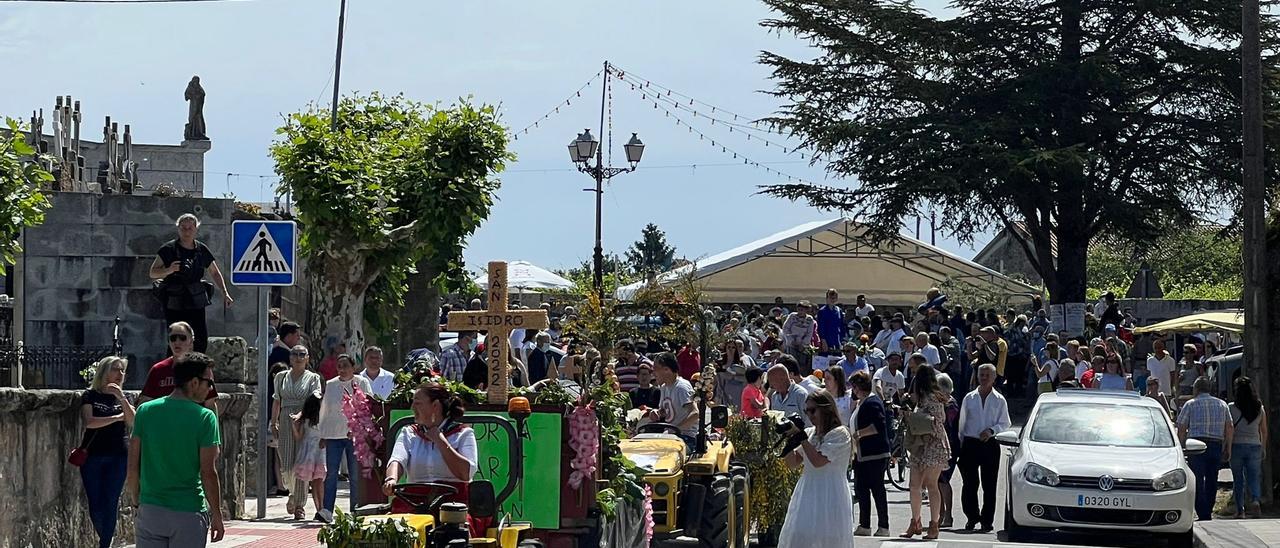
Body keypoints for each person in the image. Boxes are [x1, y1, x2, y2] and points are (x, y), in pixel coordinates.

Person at [127, 352, 224, 547]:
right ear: (194, 383)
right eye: (209, 383)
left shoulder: (145, 411)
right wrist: (217, 513)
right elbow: (208, 472)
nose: (211, 389)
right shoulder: (205, 418)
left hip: (150, 508)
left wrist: (137, 501)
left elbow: (133, 465)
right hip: (188, 510)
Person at [383, 383, 481, 535]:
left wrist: (440, 441)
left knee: (456, 531)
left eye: (418, 403)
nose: (413, 408)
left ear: (435, 405)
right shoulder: (409, 433)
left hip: (453, 505)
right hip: (415, 502)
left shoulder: (463, 434)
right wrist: (391, 479)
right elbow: (397, 459)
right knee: (393, 530)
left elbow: (465, 473)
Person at [776, 389, 855, 547]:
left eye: (813, 410)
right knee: (799, 537)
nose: (810, 416)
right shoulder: (810, 433)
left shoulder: (840, 434)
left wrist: (802, 439)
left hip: (831, 493)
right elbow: (793, 463)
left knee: (827, 539)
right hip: (808, 491)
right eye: (806, 411)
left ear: (826, 409)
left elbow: (818, 461)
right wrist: (788, 440)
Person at [148, 213, 232, 353]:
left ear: (196, 229)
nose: (187, 231)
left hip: (196, 298)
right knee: (176, 336)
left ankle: (197, 368)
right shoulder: (168, 249)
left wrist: (225, 293)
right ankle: (174, 367)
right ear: (178, 229)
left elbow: (215, 272)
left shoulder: (201, 249)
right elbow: (153, 273)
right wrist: (169, 270)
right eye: (183, 228)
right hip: (175, 300)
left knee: (200, 337)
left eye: (190, 228)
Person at [79, 356, 136, 548]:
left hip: (118, 455)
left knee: (111, 500)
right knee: (95, 503)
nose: (120, 374)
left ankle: (105, 544)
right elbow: (90, 422)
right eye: (115, 369)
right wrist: (116, 417)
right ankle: (107, 538)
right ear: (104, 372)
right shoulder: (90, 396)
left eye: (122, 370)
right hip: (92, 455)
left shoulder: (124, 397)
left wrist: (121, 398)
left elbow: (132, 422)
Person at [318, 354, 373, 521]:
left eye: (345, 366)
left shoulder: (362, 383)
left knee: (354, 475)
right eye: (339, 366)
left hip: (355, 435)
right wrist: (322, 434)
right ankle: (327, 510)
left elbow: (369, 406)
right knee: (331, 473)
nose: (342, 370)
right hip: (333, 435)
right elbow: (324, 410)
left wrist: (366, 431)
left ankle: (355, 510)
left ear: (353, 367)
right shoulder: (331, 384)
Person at [956, 364, 1011, 533]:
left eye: (987, 375)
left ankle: (987, 521)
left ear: (994, 378)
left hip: (990, 445)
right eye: (981, 374)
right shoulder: (969, 398)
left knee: (989, 485)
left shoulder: (999, 399)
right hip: (970, 443)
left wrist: (991, 431)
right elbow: (962, 423)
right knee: (970, 484)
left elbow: (1005, 423)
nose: (984, 377)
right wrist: (960, 444)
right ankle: (972, 517)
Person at [271, 344, 323, 519]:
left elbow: (315, 397)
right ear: (290, 357)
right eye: (295, 354)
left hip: (304, 420)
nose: (298, 357)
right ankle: (292, 493)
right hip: (285, 419)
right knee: (286, 463)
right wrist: (273, 422)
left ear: (307, 358)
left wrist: (302, 415)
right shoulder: (280, 377)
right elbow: (277, 400)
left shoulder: (313, 378)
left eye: (302, 354)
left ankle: (300, 505)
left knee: (301, 462)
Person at [900, 364, 950, 539]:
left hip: (933, 444)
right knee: (914, 485)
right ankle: (915, 522)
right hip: (920, 445)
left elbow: (937, 423)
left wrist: (914, 418)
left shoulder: (933, 399)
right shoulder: (921, 399)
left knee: (931, 484)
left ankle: (934, 525)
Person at [1177, 376, 1233, 521]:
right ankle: (1209, 507)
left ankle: (1202, 512)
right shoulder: (1222, 404)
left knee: (1197, 479)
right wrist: (1228, 446)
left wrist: (1182, 447)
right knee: (1212, 479)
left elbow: (1182, 428)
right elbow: (1229, 427)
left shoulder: (1190, 404)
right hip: (1216, 444)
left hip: (1196, 446)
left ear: (1196, 389)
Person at [139, 322, 218, 411]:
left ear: (191, 341)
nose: (177, 342)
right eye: (173, 338)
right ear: (168, 342)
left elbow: (210, 403)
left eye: (182, 338)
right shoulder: (158, 369)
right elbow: (146, 401)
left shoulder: (202, 367)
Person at [849, 371, 891, 536]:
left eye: (854, 387)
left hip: (874, 454)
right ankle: (864, 525)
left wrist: (858, 434)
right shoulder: (862, 402)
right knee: (862, 489)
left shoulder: (872, 402)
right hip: (862, 454)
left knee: (877, 490)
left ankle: (884, 526)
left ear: (858, 387)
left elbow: (878, 426)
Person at [1228, 377, 1268, 519]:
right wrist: (1263, 447)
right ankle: (1256, 500)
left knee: (1238, 479)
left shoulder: (1231, 407)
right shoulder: (1259, 407)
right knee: (1254, 477)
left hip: (1236, 445)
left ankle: (1240, 510)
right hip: (1254, 445)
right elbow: (1263, 430)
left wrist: (1227, 447)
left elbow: (1229, 429)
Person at [647, 353, 699, 450]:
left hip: (686, 437)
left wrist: (677, 429)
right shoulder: (663, 387)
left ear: (667, 370)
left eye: (656, 369)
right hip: (669, 437)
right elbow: (666, 411)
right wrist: (657, 413)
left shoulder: (682, 387)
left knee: (664, 451)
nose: (653, 373)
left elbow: (695, 413)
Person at [290, 392, 326, 521]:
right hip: (314, 452)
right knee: (316, 482)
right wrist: (294, 426)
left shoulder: (323, 418)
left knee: (318, 482)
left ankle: (321, 509)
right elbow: (299, 437)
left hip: (318, 452)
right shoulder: (308, 420)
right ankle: (320, 509)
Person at [935, 373, 961, 529]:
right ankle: (940, 514)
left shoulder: (950, 404)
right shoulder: (941, 403)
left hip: (949, 447)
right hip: (940, 446)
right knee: (937, 481)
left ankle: (948, 515)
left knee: (943, 480)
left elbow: (947, 424)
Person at [970, 326, 1008, 393]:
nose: (981, 334)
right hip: (980, 373)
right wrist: (969, 345)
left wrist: (984, 344)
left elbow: (992, 357)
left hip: (991, 374)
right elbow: (972, 356)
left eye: (983, 333)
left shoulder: (995, 344)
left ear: (991, 334)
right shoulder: (984, 345)